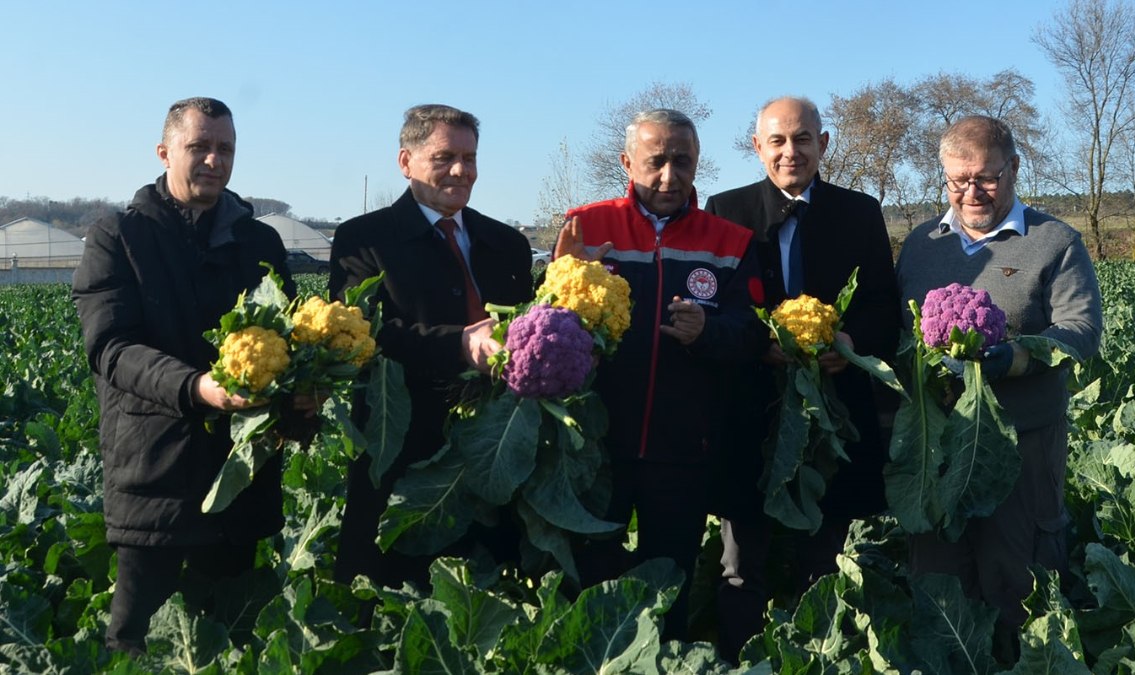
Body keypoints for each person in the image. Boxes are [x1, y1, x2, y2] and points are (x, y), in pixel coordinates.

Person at [72, 97, 299, 654]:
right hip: (156, 476)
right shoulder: (118, 237)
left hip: (240, 475)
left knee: (226, 641)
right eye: (199, 147)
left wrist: (302, 392)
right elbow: (112, 348)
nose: (214, 161)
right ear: (165, 151)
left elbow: (291, 340)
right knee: (137, 645)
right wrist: (196, 388)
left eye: (225, 149)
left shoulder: (260, 243)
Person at [555, 108, 768, 641]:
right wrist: (560, 279)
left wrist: (708, 332)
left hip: (683, 449)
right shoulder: (585, 225)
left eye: (683, 162)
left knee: (666, 586)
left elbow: (753, 334)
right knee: (585, 583)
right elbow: (542, 327)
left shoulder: (730, 241)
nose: (669, 176)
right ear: (628, 161)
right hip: (595, 444)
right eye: (656, 162)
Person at [895, 114, 1102, 660]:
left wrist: (1013, 358)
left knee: (1020, 577)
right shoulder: (920, 245)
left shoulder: (1054, 241)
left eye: (986, 177)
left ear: (1012, 168)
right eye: (958, 180)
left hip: (1021, 442)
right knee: (939, 580)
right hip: (938, 444)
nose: (970, 192)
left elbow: (1080, 331)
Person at [704, 96, 900, 660]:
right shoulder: (727, 210)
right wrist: (756, 344)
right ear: (757, 146)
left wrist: (850, 342)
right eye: (778, 141)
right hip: (753, 411)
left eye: (803, 139)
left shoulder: (859, 212)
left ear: (824, 144)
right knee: (742, 558)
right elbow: (718, 305)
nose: (792, 152)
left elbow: (883, 303)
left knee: (826, 551)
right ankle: (743, 658)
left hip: (835, 412)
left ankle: (821, 655)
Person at [330, 104, 533, 589]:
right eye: (444, 157)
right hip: (400, 448)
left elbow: (526, 329)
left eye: (470, 157)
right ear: (406, 162)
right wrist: (459, 346)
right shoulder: (364, 241)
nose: (461, 170)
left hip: (491, 446)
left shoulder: (506, 243)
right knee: (387, 589)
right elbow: (362, 335)